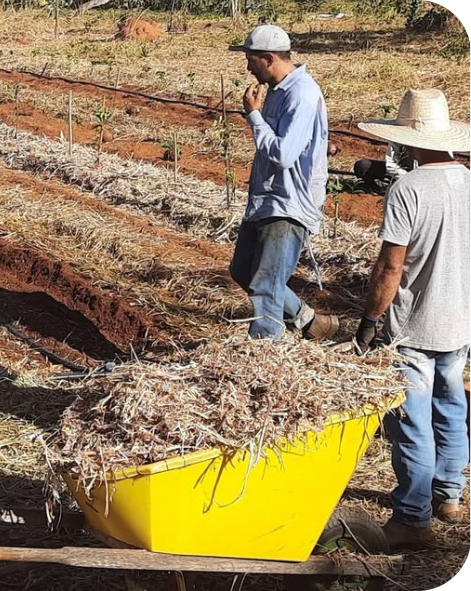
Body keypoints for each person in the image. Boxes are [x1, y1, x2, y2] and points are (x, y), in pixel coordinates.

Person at [354, 89, 471, 549]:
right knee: (452, 407)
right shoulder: (468, 181)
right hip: (460, 319)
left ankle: (412, 517)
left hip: (415, 325)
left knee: (413, 419)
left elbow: (390, 266)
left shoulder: (409, 189)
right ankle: (450, 496)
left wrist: (370, 319)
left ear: (406, 140)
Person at [228, 25, 339, 341]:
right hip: (267, 199)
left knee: (265, 284)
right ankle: (307, 320)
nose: (247, 66)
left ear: (268, 57)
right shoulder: (277, 91)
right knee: (243, 270)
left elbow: (283, 155)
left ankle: (265, 355)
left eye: (250, 59)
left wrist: (254, 117)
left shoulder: (301, 94)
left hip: (289, 202)